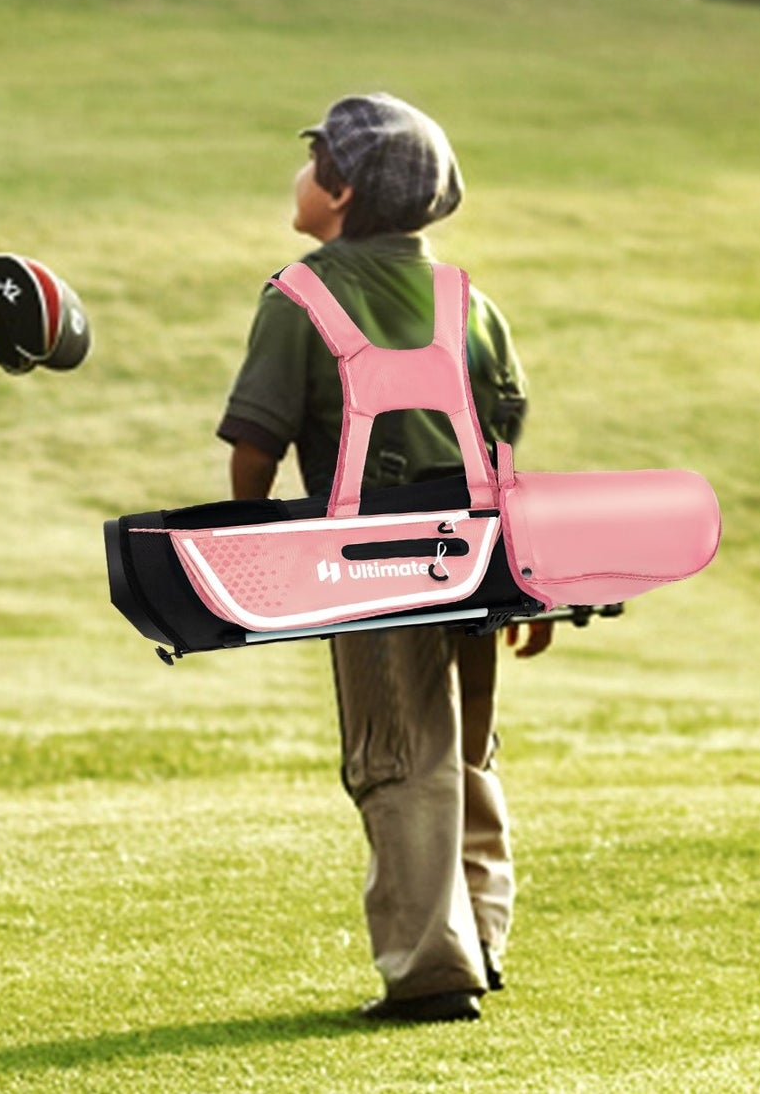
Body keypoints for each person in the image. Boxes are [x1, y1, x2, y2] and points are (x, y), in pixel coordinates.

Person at [218, 93, 552, 1023]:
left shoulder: (302, 295)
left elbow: (256, 439)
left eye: (312, 159)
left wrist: (253, 544)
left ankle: (429, 969)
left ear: (343, 188)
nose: (299, 174)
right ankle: (481, 937)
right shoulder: (468, 301)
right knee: (466, 746)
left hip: (370, 556)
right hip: (479, 554)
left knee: (395, 752)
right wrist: (526, 580)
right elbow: (503, 445)